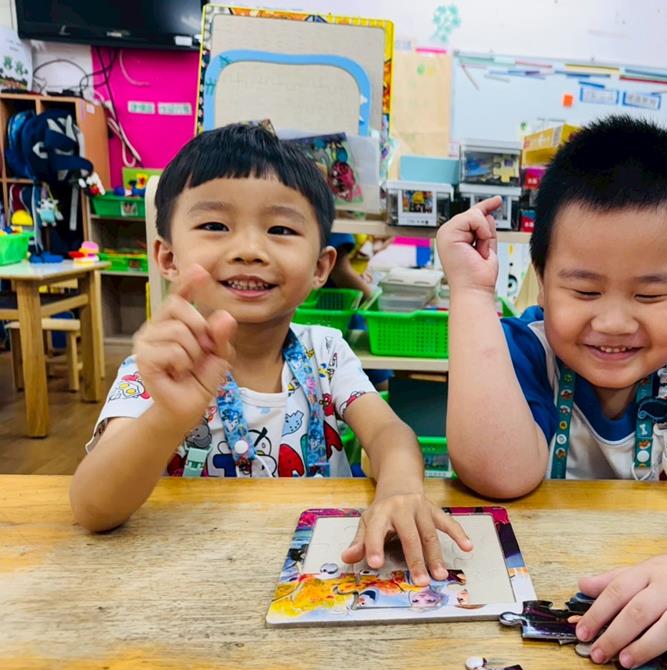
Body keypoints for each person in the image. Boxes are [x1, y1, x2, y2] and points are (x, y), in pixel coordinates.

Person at [438, 115, 667, 670]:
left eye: (651, 294)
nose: (613, 322)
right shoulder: (525, 353)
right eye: (584, 290)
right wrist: (471, 294)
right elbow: (501, 474)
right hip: (527, 622)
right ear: (541, 277)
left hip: (665, 611)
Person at [70, 123, 470, 584]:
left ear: (321, 267)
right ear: (167, 257)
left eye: (280, 229)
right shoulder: (156, 369)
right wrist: (166, 417)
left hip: (323, 575)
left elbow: (388, 434)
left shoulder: (326, 352)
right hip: (194, 580)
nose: (249, 250)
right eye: (215, 226)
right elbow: (93, 508)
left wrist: (399, 490)